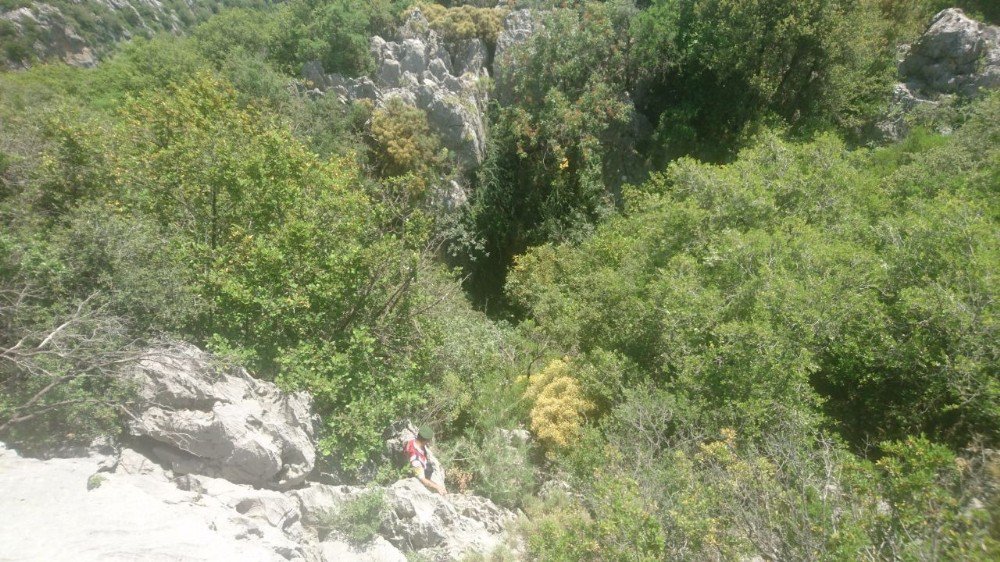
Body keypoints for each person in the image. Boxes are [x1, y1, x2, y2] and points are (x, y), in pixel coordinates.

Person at [405, 425, 447, 496]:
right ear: (425, 441)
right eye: (429, 440)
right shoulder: (416, 460)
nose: (430, 442)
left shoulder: (412, 441)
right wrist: (437, 487)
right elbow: (422, 479)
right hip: (417, 476)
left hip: (421, 467)